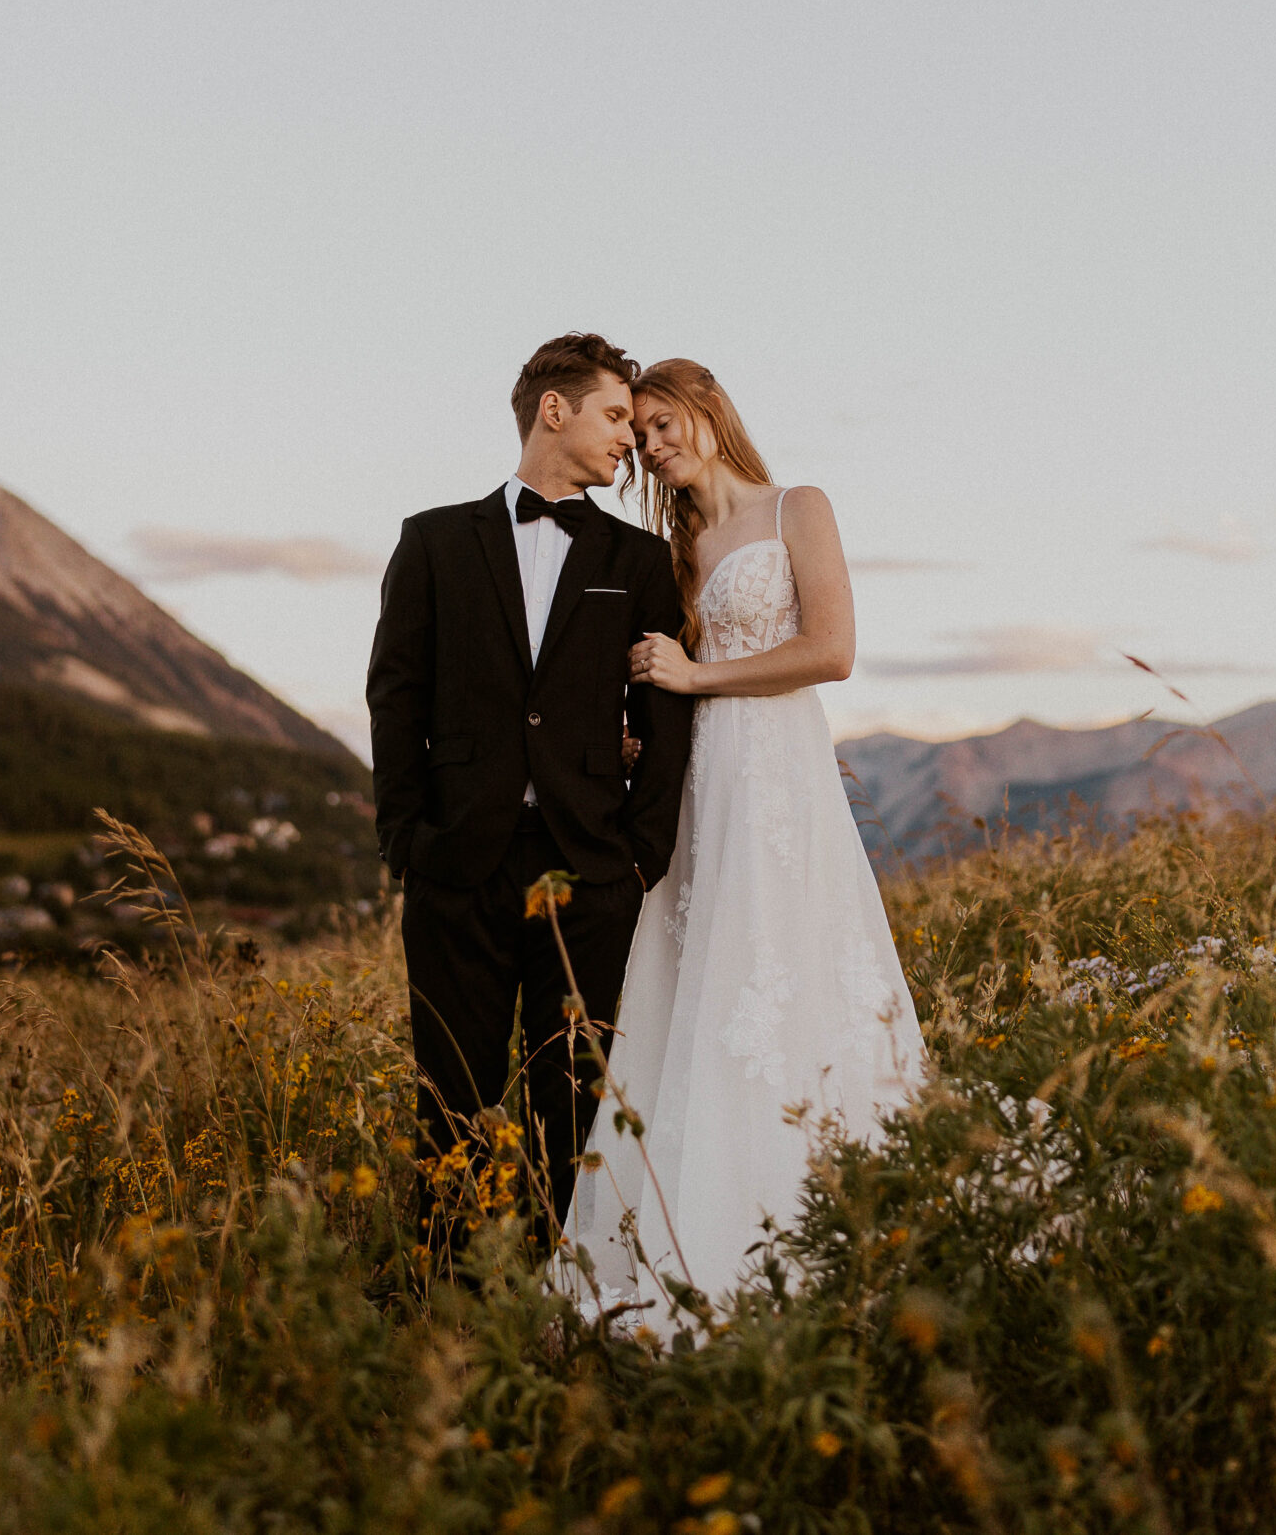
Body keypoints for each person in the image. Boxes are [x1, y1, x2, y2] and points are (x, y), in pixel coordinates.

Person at [560, 357, 926, 1311]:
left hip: (780, 777)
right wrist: (649, 709)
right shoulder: (672, 548)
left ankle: (820, 1187)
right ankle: (697, 1203)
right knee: (695, 977)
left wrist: (694, 677)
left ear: (706, 410)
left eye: (661, 422)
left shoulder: (795, 507)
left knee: (789, 960)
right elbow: (663, 670)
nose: (650, 444)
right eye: (637, 435)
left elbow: (830, 652)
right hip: (698, 784)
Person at [367, 333, 696, 1231]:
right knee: (450, 1093)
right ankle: (443, 1288)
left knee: (575, 1100)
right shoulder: (432, 541)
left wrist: (640, 854)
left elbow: (663, 718)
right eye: (617, 415)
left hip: (589, 866)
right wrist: (406, 842)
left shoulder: (639, 561)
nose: (632, 439)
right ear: (555, 410)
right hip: (455, 866)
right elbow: (395, 698)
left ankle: (564, 1292)